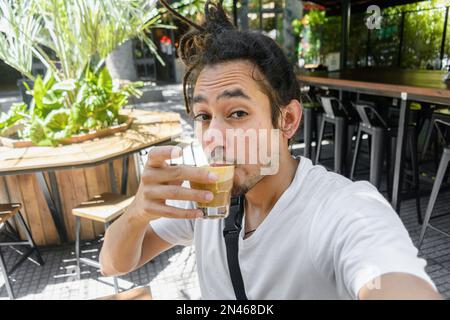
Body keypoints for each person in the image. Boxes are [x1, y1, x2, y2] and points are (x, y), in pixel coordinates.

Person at [100, 1, 441, 300]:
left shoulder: (342, 210)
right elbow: (114, 263)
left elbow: (389, 277)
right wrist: (137, 212)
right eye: (204, 116)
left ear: (288, 120)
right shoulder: (204, 198)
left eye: (237, 113)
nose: (213, 137)